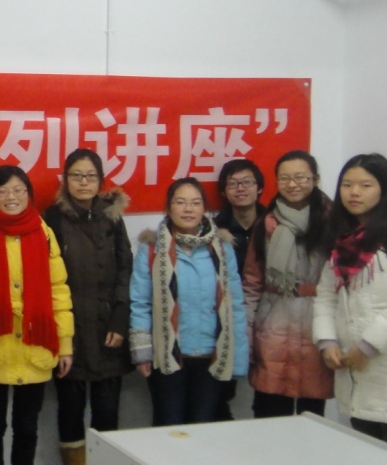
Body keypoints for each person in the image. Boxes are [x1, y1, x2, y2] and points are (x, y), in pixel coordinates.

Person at [313, 153, 387, 450]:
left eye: (365, 185)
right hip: (353, 369)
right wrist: (327, 341)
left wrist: (368, 345)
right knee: (366, 457)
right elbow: (326, 295)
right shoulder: (342, 234)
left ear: (384, 188)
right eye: (347, 185)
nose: (354, 192)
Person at [0, 165, 73, 465]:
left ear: (29, 194)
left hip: (36, 345)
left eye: (18, 189)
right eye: (2, 191)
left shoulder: (43, 232)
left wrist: (65, 344)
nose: (11, 197)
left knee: (27, 429)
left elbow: (59, 291)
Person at [41, 149, 131, 465]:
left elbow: (125, 269)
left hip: (108, 329)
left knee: (108, 410)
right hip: (70, 330)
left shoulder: (112, 216)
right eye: (76, 176)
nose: (83, 182)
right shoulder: (52, 218)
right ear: (65, 180)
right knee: (70, 408)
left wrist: (120, 320)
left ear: (100, 181)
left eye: (90, 176)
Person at [129, 178, 249, 426]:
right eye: (181, 202)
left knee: (202, 427)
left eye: (195, 203)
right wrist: (142, 354)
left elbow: (235, 305)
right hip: (167, 356)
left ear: (204, 208)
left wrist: (238, 358)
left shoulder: (222, 249)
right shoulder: (151, 249)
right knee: (168, 425)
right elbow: (140, 304)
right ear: (169, 207)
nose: (188, 209)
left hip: (211, 355)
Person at [243, 151, 333, 418]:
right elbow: (252, 281)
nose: (293, 184)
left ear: (315, 179)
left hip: (317, 323)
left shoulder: (334, 223)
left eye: (301, 177)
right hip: (274, 323)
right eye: (285, 178)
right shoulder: (267, 223)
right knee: (269, 410)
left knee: (312, 414)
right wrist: (247, 328)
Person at [210, 158, 265, 419]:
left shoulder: (275, 225)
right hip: (228, 317)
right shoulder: (214, 231)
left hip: (268, 315)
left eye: (247, 182)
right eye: (233, 183)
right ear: (223, 191)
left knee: (267, 390)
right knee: (220, 391)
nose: (240, 188)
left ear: (260, 187)